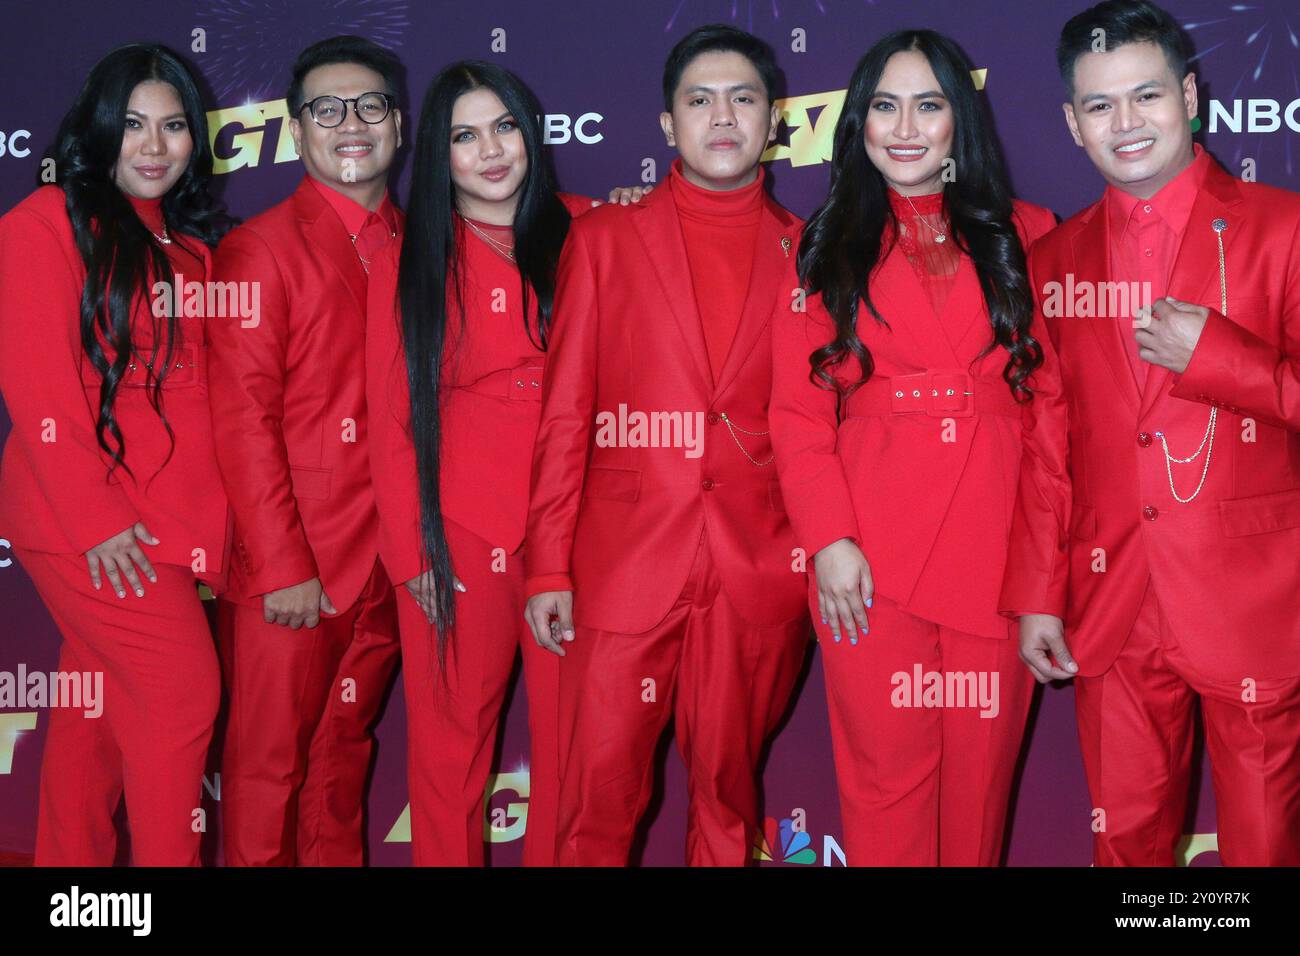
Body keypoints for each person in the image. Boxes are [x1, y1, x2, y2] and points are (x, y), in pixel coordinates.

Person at [1000, 0, 1300, 866]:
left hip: (1256, 600)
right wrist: (1036, 594)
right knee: (1124, 849)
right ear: (1071, 122)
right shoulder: (1053, 261)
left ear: (1191, 93)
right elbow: (1045, 445)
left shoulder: (1282, 229)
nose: (1125, 123)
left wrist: (1222, 357)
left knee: (1265, 849)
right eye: (1100, 106)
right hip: (1113, 602)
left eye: (1146, 95)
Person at [524, 24, 810, 866]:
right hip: (621, 566)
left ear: (774, 117)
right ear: (666, 124)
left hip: (756, 568)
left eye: (744, 98)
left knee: (728, 802)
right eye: (700, 99)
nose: (723, 116)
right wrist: (547, 564)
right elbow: (566, 414)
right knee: (595, 806)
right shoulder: (605, 240)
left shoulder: (811, 251)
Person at [769, 30, 1056, 866]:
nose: (905, 126)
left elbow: (1053, 423)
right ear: (855, 123)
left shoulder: (1030, 234)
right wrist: (827, 538)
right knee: (882, 788)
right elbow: (795, 413)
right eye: (884, 106)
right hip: (868, 556)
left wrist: (1042, 574)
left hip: (997, 548)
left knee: (978, 798)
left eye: (928, 105)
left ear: (958, 122)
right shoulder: (821, 244)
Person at [366, 60, 613, 866]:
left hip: (578, 535)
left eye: (504, 126)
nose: (491, 151)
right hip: (460, 535)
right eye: (464, 136)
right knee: (447, 753)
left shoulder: (593, 231)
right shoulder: (408, 264)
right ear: (437, 155)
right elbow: (392, 421)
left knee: (574, 750)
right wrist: (413, 555)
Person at [0, 43, 230, 865]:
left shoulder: (191, 248)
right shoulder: (40, 225)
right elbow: (38, 393)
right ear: (98, 130)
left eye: (173, 126)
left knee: (97, 711)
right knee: (180, 696)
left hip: (167, 523)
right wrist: (98, 522)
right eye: (133, 124)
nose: (156, 145)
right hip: (89, 520)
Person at [207, 35, 403, 866]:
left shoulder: (422, 240)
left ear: (398, 123)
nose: (349, 125)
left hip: (392, 565)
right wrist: (284, 562)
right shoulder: (259, 248)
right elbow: (242, 421)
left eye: (368, 106)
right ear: (298, 129)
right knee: (266, 770)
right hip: (294, 568)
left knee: (341, 759)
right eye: (327, 109)